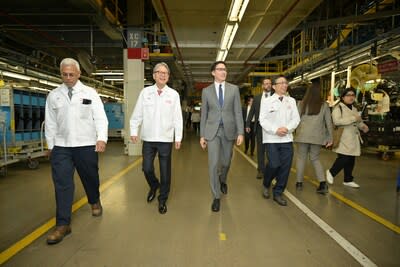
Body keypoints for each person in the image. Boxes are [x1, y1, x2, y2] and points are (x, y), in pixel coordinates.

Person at [45, 58, 108, 245]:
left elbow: (100, 118)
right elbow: (50, 122)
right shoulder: (54, 95)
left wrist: (101, 138)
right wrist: (50, 146)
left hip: (86, 144)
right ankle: (63, 225)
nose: (68, 78)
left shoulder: (90, 92)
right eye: (64, 74)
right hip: (62, 146)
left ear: (79, 74)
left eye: (71, 74)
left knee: (90, 177)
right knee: (62, 184)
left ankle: (94, 200)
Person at [130, 62, 183, 214]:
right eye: (159, 72)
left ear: (168, 76)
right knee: (146, 168)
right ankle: (154, 185)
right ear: (154, 75)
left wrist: (177, 137)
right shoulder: (145, 93)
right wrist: (134, 131)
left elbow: (177, 118)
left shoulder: (173, 95)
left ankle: (162, 199)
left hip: (165, 139)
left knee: (166, 171)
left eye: (165, 73)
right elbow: (137, 114)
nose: (162, 75)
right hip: (148, 138)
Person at [200, 61, 244, 212]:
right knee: (213, 164)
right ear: (213, 72)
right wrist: (202, 136)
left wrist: (240, 132)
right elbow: (204, 114)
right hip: (212, 132)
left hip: (229, 130)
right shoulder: (206, 91)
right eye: (220, 69)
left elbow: (238, 111)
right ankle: (216, 196)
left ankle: (223, 179)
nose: (223, 72)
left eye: (225, 69)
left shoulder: (234, 89)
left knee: (225, 162)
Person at [259, 76, 300, 206]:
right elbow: (263, 120)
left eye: (285, 83)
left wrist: (287, 129)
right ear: (274, 86)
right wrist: (275, 129)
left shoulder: (291, 101)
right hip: (271, 139)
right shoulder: (267, 101)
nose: (284, 85)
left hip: (287, 139)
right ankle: (266, 183)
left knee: (285, 168)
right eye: (281, 83)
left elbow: (296, 119)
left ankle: (278, 192)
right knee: (274, 164)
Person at [294, 80, 333, 194]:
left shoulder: (301, 104)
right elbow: (328, 123)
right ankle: (322, 184)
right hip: (317, 137)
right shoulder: (324, 105)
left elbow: (296, 120)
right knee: (315, 159)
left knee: (301, 158)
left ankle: (299, 183)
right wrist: (330, 138)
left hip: (302, 136)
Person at [326, 87, 369, 188]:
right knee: (344, 157)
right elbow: (337, 121)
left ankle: (348, 179)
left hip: (353, 137)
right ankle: (331, 172)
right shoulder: (338, 108)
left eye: (353, 95)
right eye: (348, 95)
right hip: (343, 137)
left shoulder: (354, 108)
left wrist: (363, 126)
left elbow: (358, 121)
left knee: (351, 159)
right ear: (343, 97)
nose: (351, 97)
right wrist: (354, 118)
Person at [246, 77, 274, 179]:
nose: (268, 85)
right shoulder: (257, 98)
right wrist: (248, 124)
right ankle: (261, 170)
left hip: (272, 129)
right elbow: (252, 112)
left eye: (269, 83)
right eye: (266, 84)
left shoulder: (275, 97)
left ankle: (271, 170)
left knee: (271, 150)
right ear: (262, 86)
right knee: (261, 150)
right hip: (260, 127)